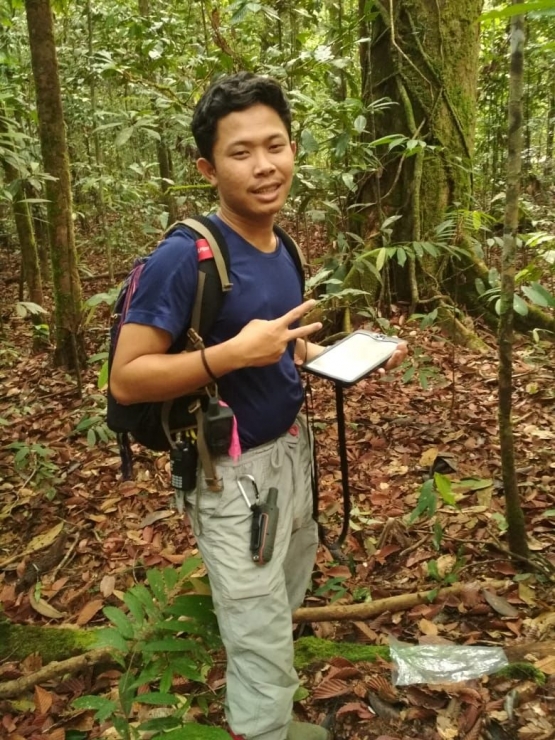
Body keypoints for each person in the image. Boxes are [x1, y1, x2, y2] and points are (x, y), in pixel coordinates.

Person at [110, 72, 408, 740]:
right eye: (240, 151)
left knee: (283, 598)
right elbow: (127, 379)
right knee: (259, 636)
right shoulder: (184, 258)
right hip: (231, 476)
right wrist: (227, 356)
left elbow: (276, 347)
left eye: (275, 145)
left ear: (294, 149)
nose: (264, 165)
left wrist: (337, 358)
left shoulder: (283, 245)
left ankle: (266, 719)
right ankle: (261, 729)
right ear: (206, 166)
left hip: (289, 455)